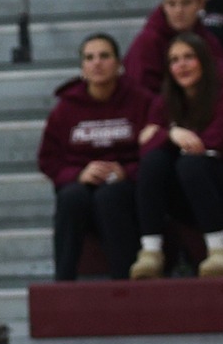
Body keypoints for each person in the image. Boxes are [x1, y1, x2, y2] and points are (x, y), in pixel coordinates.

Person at [130, 34, 223, 279]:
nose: (182, 65)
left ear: (204, 60)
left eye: (189, 57)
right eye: (175, 60)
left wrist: (166, 134)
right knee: (153, 163)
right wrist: (171, 134)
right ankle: (150, 253)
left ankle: (220, 250)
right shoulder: (164, 101)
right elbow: (145, 146)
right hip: (188, 195)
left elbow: (209, 145)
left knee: (191, 164)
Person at [40, 34, 154, 281]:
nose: (97, 63)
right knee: (71, 197)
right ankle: (63, 282)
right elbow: (48, 160)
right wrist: (78, 175)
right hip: (81, 183)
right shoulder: (65, 108)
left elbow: (154, 151)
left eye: (104, 56)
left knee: (109, 197)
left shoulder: (141, 101)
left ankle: (124, 282)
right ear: (82, 68)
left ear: (119, 64)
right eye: (89, 58)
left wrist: (127, 172)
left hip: (126, 187)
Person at [123, 0, 223, 96]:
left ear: (201, 4)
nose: (179, 10)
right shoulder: (147, 43)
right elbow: (141, 94)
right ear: (164, 6)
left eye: (186, 3)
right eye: (172, 3)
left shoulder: (208, 41)